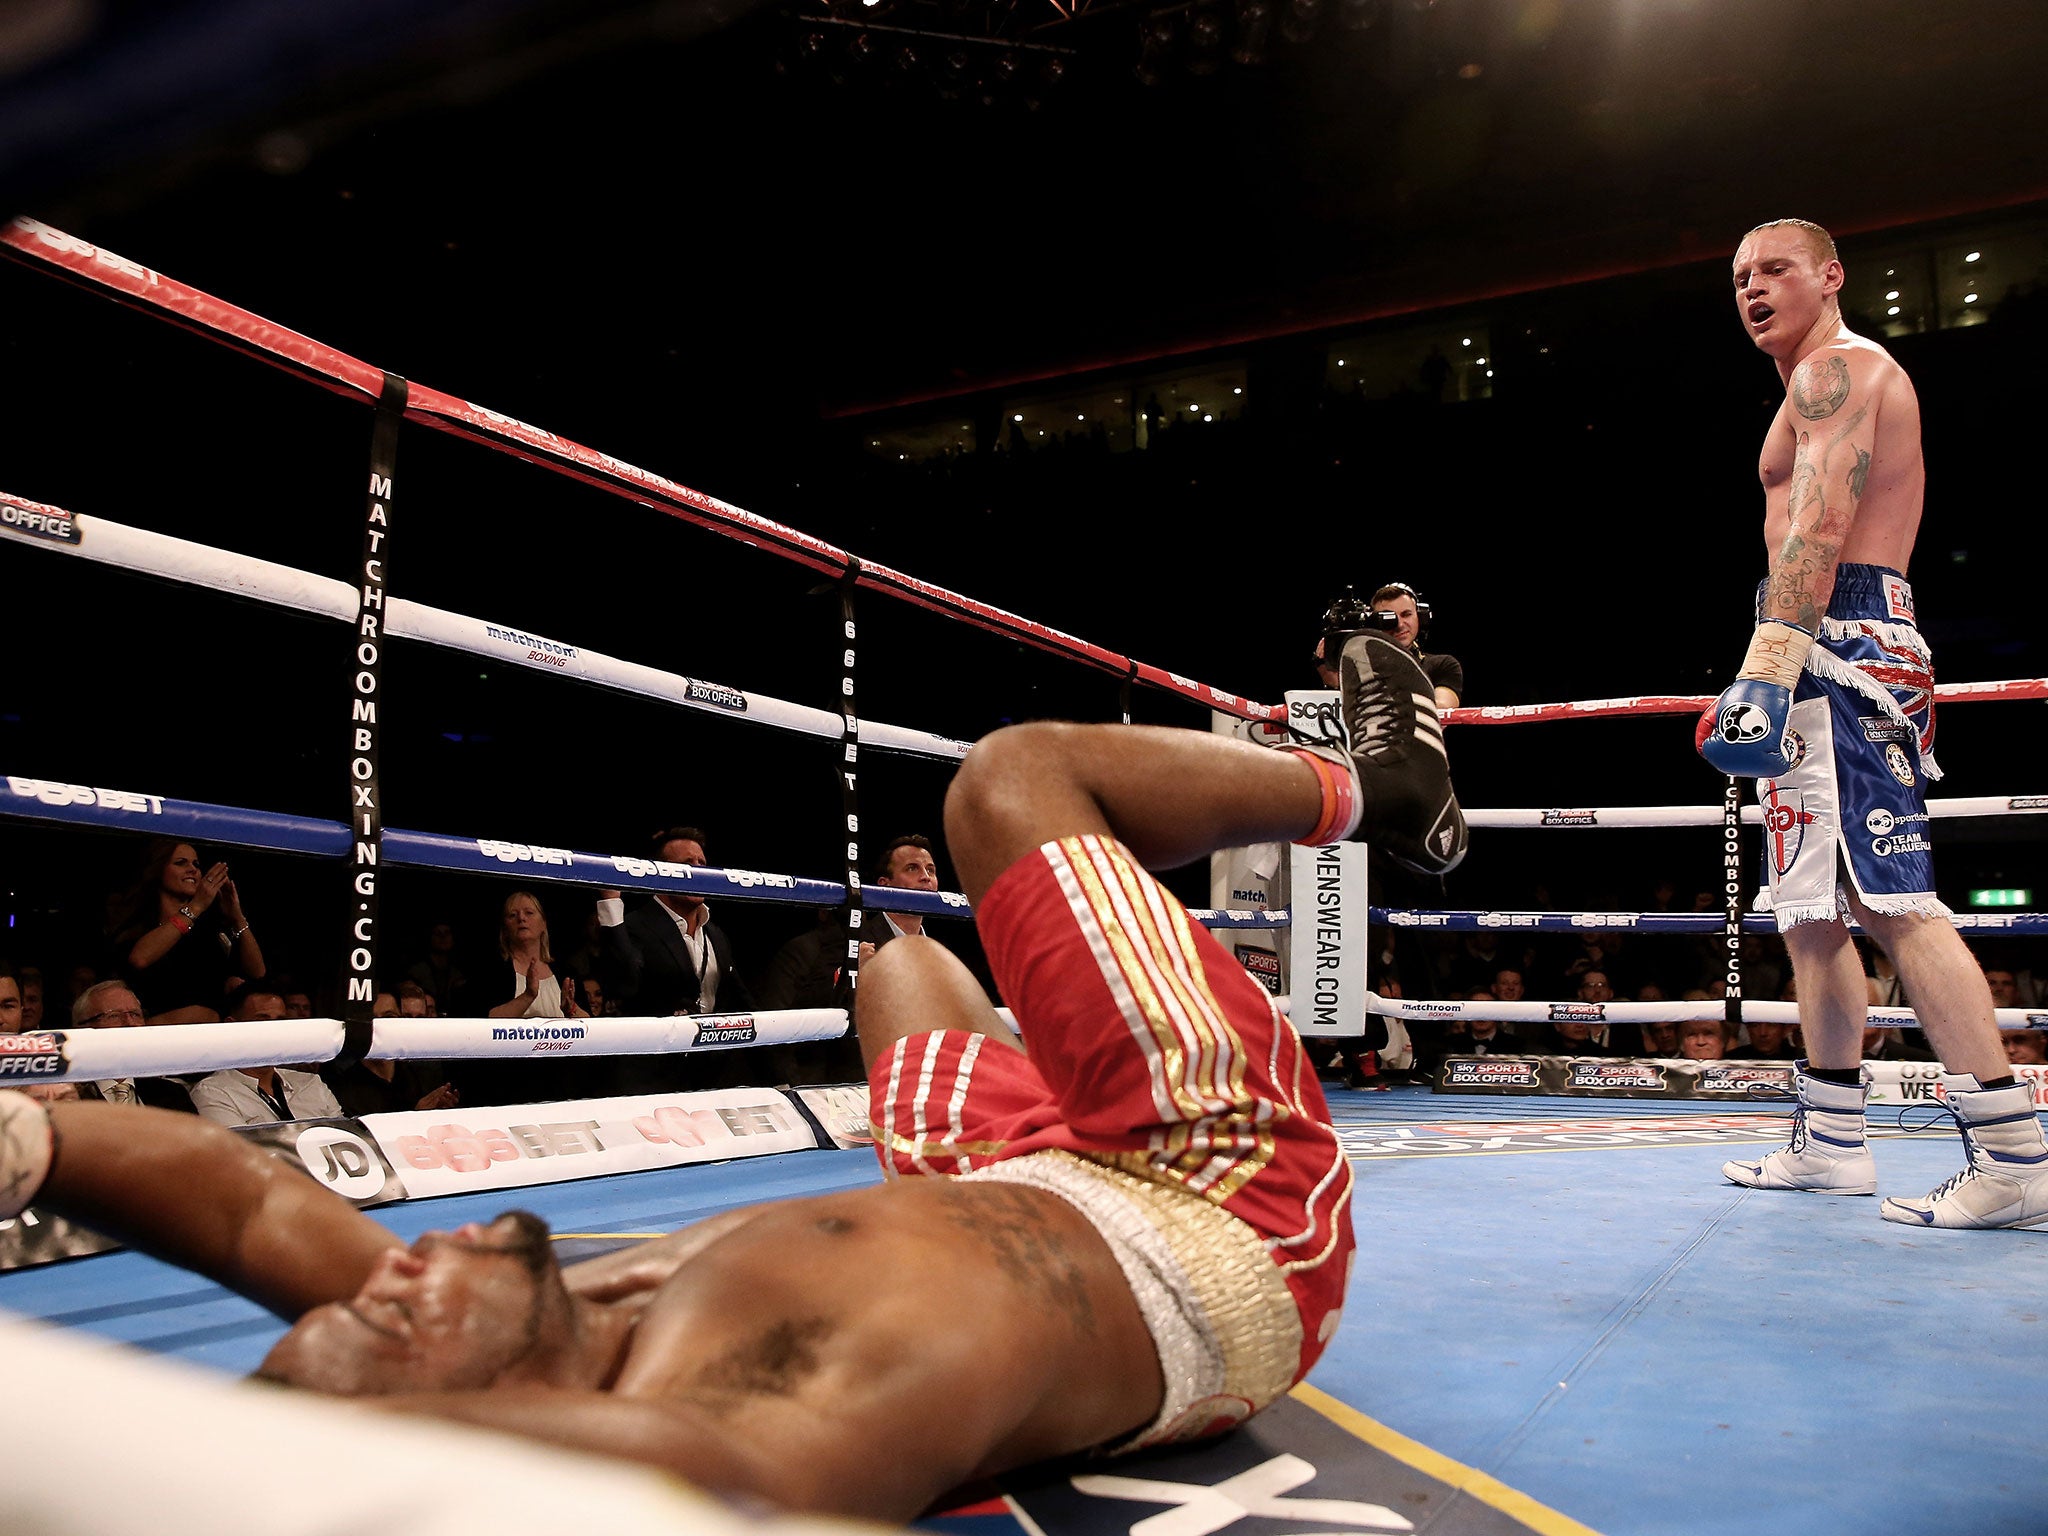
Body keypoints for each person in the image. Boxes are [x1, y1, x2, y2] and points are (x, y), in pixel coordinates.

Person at [0, 651, 1467, 1519]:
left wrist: (27, 1140)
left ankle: (1090, 1002)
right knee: (1008, 786)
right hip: (1207, 1205)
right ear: (483, 1418)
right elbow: (686, 1490)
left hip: (1013, 1187)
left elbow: (253, 1209)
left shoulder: (509, 1326)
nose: (385, 1275)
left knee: (895, 969)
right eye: (386, 1318)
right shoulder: (745, 1420)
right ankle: (1378, 791)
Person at [1703, 217, 2048, 1228]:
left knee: (1894, 901)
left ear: (1829, 276)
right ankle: (1831, 1146)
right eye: (1737, 277)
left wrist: (1767, 666)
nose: (1752, 288)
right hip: (1809, 634)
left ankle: (2012, 1156)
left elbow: (1817, 524)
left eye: (1773, 269)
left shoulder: (1838, 373)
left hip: (1836, 637)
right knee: (1810, 914)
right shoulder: (1804, 383)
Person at [110, 839, 266, 1024]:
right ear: (158, 869)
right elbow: (140, 958)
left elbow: (257, 972)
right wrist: (197, 905)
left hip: (210, 1043)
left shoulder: (209, 931)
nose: (193, 869)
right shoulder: (139, 927)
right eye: (180, 863)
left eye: (196, 864)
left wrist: (237, 916)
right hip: (159, 1042)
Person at [189, 982, 344, 1126]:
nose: (274, 1030)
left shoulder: (311, 1083)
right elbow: (239, 1153)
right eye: (262, 1021)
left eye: (280, 1021)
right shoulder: (213, 1093)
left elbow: (348, 1142)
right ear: (232, 1026)